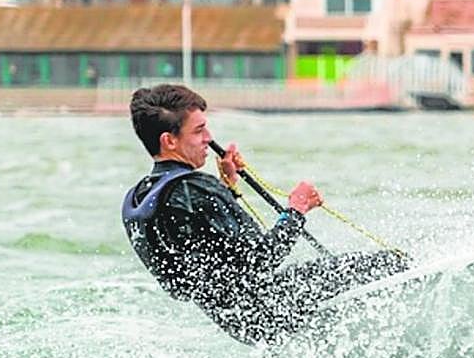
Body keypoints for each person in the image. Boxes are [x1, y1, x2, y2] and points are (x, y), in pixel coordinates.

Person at [122, 84, 408, 344]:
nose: (209, 139)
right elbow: (262, 259)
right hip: (277, 304)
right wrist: (297, 209)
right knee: (392, 263)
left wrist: (228, 188)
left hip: (241, 324)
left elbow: (188, 275)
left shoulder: (138, 199)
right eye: (199, 131)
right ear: (169, 141)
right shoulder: (197, 190)